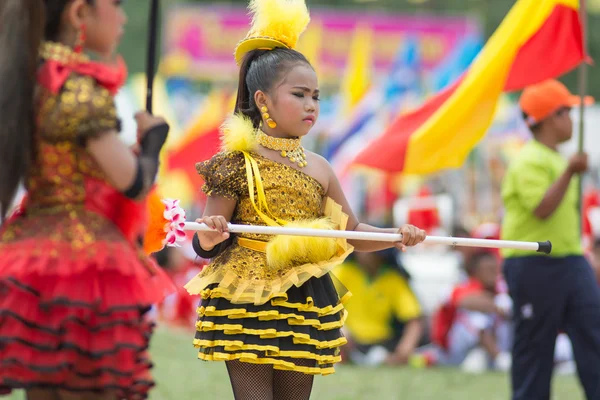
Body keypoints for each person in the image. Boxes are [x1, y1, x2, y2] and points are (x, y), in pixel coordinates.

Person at [183, 0, 426, 399]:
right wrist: (210, 234)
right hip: (247, 295)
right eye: (300, 94)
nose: (312, 105)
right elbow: (206, 243)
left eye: (316, 96)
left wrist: (397, 236)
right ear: (263, 100)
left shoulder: (321, 168)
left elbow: (352, 234)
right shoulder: (233, 163)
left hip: (303, 296)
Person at [0, 1, 173, 399]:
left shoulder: (30, 78)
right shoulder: (76, 89)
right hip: (84, 265)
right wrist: (152, 143)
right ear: (80, 13)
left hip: (29, 254)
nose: (123, 18)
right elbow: (132, 183)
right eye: (115, 5)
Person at [501, 79, 600, 400]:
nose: (572, 120)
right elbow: (543, 209)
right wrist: (570, 172)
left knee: (593, 334)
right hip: (533, 262)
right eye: (566, 112)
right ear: (548, 118)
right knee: (535, 345)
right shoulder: (529, 159)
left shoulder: (557, 159)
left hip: (571, 259)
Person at [332, 250, 424, 367]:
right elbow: (322, 307)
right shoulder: (342, 271)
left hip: (383, 346)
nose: (365, 251)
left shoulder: (393, 279)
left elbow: (414, 319)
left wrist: (404, 351)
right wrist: (338, 331)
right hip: (348, 342)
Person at [426, 251, 511, 372]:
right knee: (476, 316)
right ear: (475, 272)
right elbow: (465, 302)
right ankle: (500, 360)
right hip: (451, 351)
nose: (494, 274)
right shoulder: (461, 287)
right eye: (489, 270)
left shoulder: (501, 288)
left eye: (496, 269)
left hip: (495, 343)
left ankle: (494, 356)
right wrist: (499, 305)